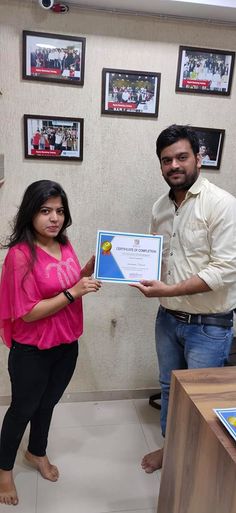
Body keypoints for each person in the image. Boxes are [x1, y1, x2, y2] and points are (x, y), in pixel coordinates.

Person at [132, 124, 236, 473]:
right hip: (167, 320)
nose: (174, 166)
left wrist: (168, 290)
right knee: (169, 389)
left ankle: (197, 463)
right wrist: (131, 267)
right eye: (166, 160)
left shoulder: (222, 204)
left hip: (209, 325)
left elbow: (224, 270)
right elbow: (157, 255)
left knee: (200, 399)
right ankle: (171, 450)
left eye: (181, 157)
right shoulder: (160, 207)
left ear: (198, 159)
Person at [0, 180, 101, 505]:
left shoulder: (65, 243)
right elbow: (28, 313)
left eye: (59, 210)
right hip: (32, 351)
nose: (54, 218)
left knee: (47, 404)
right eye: (45, 211)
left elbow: (67, 281)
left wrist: (89, 270)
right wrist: (75, 292)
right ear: (31, 213)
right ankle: (3, 472)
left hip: (65, 346)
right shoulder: (19, 255)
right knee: (21, 410)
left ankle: (35, 452)